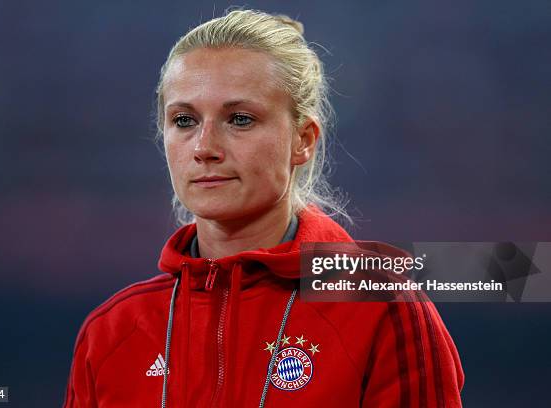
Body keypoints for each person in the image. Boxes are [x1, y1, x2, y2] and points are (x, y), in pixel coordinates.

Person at [63, 9, 464, 407]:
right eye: (184, 120)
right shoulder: (112, 332)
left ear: (303, 140)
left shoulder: (381, 309)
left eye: (239, 119)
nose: (204, 148)